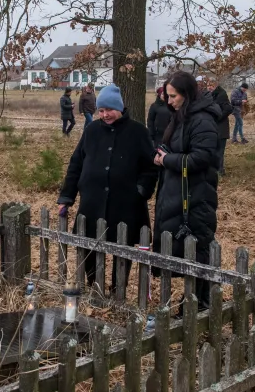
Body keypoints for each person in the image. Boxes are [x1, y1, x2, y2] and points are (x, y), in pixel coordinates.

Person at [57, 84, 157, 289]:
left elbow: (150, 168)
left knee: (122, 247)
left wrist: (141, 191)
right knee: (89, 246)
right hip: (92, 201)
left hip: (126, 203)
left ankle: (118, 287)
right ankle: (95, 284)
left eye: (108, 110)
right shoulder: (92, 130)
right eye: (101, 111)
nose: (104, 115)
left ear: (119, 108)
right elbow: (76, 162)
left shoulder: (139, 132)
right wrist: (67, 196)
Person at [153, 70, 222, 311]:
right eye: (167, 97)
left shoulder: (202, 120)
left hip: (196, 196)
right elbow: (176, 148)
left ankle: (199, 305)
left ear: (187, 94)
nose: (169, 101)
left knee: (198, 250)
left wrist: (168, 160)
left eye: (173, 96)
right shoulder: (180, 117)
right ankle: (192, 303)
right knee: (183, 250)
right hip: (179, 193)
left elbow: (201, 158)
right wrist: (161, 153)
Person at [209, 81, 234, 176]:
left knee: (219, 150)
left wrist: (218, 117)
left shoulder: (221, 95)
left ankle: (220, 171)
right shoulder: (212, 95)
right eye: (208, 85)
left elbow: (228, 109)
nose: (209, 87)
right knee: (214, 150)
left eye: (211, 85)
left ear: (215, 85)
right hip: (215, 127)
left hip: (221, 127)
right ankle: (216, 169)